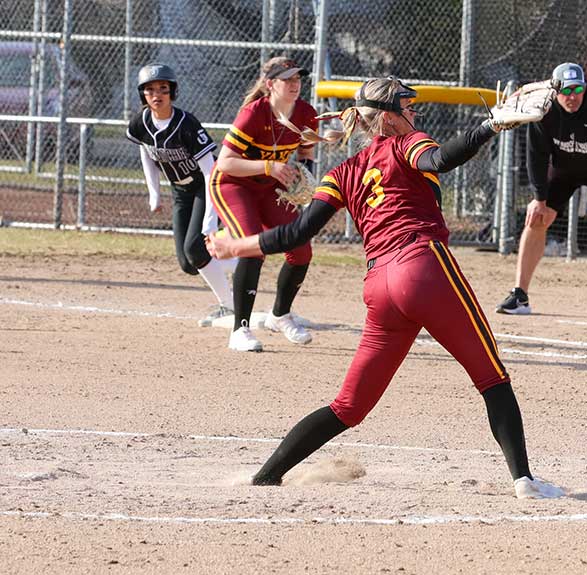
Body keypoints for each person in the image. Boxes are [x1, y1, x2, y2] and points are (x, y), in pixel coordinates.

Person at [206, 77, 564, 499]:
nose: (414, 113)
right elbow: (441, 159)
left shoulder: (342, 172)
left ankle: (267, 475)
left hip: (380, 287)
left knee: (348, 407)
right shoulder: (405, 143)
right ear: (389, 117)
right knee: (492, 378)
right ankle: (524, 481)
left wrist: (234, 244)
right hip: (423, 269)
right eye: (406, 107)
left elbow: (295, 233)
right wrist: (490, 127)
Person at [495, 62, 587, 322]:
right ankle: (520, 295)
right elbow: (536, 156)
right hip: (562, 169)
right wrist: (539, 199)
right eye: (566, 90)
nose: (572, 96)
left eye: (578, 89)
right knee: (537, 218)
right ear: (555, 89)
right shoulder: (544, 108)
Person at [210, 56, 318, 351]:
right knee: (253, 246)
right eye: (288, 79)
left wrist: (302, 177)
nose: (295, 84)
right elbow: (226, 162)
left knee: (301, 248)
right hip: (233, 185)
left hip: (271, 188)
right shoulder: (253, 114)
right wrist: (268, 167)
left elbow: (306, 152)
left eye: (298, 79)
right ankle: (239, 330)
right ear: (271, 84)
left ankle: (280, 315)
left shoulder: (306, 113)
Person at [125, 64, 235, 327]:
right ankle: (240, 257)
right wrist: (154, 194)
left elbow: (211, 173)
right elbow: (145, 150)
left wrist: (210, 218)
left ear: (173, 91)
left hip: (206, 187)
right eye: (150, 90)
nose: (157, 94)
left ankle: (229, 306)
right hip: (180, 191)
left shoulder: (186, 123)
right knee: (188, 263)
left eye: (163, 88)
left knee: (194, 248)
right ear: (143, 95)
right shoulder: (140, 122)